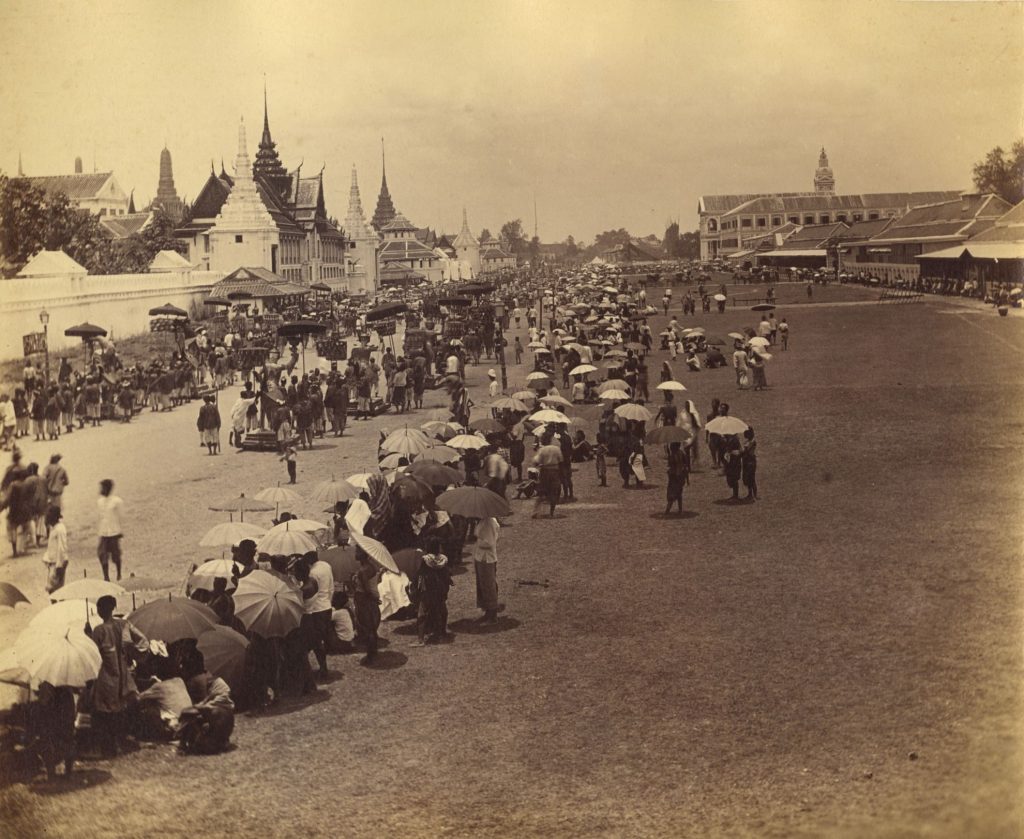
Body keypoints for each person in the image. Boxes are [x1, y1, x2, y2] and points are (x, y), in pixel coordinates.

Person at [90, 595, 148, 757]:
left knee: (105, 712)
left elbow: (93, 653)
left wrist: (88, 635)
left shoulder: (99, 630)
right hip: (123, 673)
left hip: (106, 675)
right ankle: (119, 743)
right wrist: (131, 654)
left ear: (100, 610)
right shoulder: (124, 624)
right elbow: (143, 641)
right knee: (119, 710)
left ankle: (108, 748)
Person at [301, 551, 334, 681]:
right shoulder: (326, 566)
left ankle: (322, 668)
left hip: (317, 609)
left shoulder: (312, 573)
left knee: (315, 641)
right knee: (319, 639)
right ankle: (322, 667)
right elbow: (330, 587)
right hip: (326, 605)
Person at [413, 545, 453, 645]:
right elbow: (447, 573)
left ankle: (420, 640)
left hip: (428, 589)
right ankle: (442, 632)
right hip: (440, 589)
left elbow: (420, 574)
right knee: (442, 609)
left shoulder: (426, 559)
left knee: (422, 613)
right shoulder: (444, 559)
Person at [352, 551, 381, 665]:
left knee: (367, 627)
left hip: (364, 599)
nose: (355, 553)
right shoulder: (371, 566)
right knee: (371, 627)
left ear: (362, 554)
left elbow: (366, 589)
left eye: (357, 550)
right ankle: (373, 652)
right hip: (369, 599)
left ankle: (371, 655)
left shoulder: (363, 570)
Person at [96, 479, 124, 581]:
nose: (101, 490)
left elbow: (121, 516)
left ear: (108, 488)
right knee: (102, 554)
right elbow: (100, 517)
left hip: (114, 532)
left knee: (116, 555)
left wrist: (120, 531)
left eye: (103, 487)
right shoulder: (100, 502)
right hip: (103, 532)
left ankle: (119, 574)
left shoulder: (117, 501)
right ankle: (106, 577)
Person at [474, 517, 500, 624]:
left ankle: (492, 613)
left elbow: (489, 543)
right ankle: (488, 611)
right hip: (481, 557)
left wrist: (478, 540)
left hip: (486, 558)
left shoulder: (489, 522)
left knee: (488, 584)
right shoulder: (485, 521)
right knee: (483, 585)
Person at [42, 507, 68, 593]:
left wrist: (59, 565)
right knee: (53, 590)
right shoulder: (54, 528)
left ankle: (58, 606)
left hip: (57, 564)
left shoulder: (59, 529)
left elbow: (62, 548)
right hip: (53, 563)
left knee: (55, 591)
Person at [665, 441, 689, 515]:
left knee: (671, 493)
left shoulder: (674, 455)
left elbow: (670, 464)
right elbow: (686, 465)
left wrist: (668, 454)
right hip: (680, 476)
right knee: (679, 493)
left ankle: (668, 509)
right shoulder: (682, 453)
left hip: (674, 477)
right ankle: (680, 509)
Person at [723, 436, 743, 501]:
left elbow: (738, 451)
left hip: (735, 461)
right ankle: (734, 495)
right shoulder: (730, 439)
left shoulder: (735, 440)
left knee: (734, 478)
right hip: (732, 461)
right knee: (732, 477)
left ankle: (735, 495)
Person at [741, 427, 758, 500]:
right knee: (748, 478)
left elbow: (746, 451)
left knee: (751, 478)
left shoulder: (752, 441)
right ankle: (750, 494)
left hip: (750, 461)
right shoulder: (747, 441)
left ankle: (754, 495)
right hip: (747, 460)